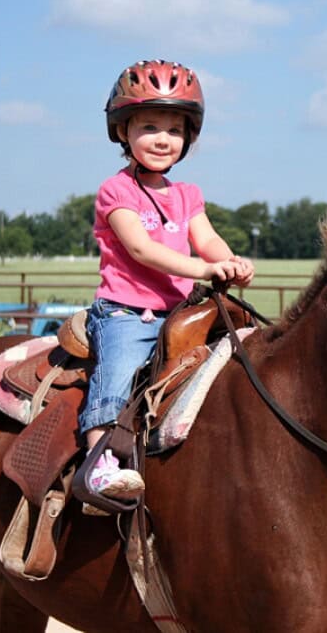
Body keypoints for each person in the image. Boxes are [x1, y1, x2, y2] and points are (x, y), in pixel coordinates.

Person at [80, 59, 254, 514]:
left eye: (174, 130)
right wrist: (203, 270)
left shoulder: (186, 195)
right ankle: (98, 464)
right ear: (123, 131)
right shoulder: (116, 192)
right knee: (116, 375)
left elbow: (207, 239)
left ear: (187, 138)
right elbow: (141, 250)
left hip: (180, 315)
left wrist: (229, 261)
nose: (162, 139)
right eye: (150, 126)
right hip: (125, 313)